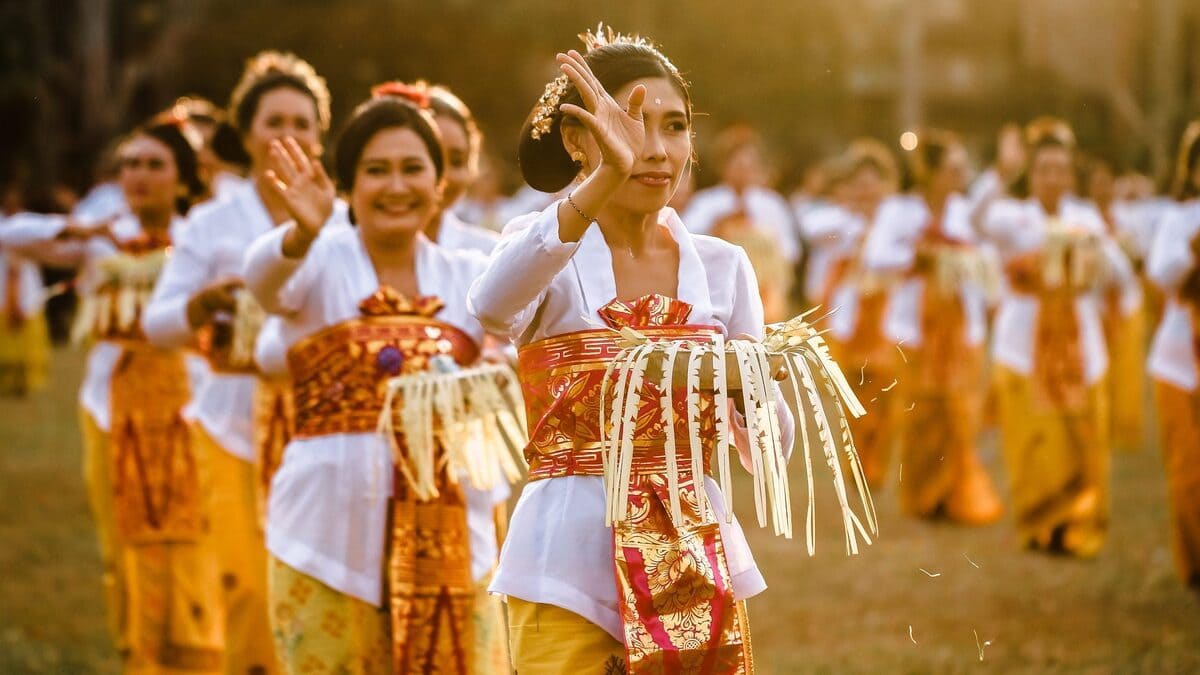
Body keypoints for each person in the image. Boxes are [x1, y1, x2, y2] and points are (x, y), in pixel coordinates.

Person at [468, 28, 795, 671]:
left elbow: (770, 450)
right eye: (628, 124)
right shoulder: (542, 248)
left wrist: (743, 380)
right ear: (576, 139)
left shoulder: (724, 267)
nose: (654, 148)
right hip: (562, 563)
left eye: (674, 127)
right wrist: (601, 182)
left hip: (692, 556)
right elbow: (490, 306)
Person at [242, 85, 509, 673]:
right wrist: (300, 233)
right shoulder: (318, 259)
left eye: (413, 169)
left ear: (439, 182)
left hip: (454, 543)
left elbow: (522, 342)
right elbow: (262, 282)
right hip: (323, 543)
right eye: (376, 170)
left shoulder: (470, 274)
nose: (395, 186)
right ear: (349, 186)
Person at [3, 117, 222, 671]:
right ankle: (138, 652)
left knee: (194, 533)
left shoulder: (200, 238)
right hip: (109, 407)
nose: (139, 176)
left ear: (182, 176)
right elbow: (11, 238)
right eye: (130, 164)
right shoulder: (101, 240)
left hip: (189, 408)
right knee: (120, 536)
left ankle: (198, 654)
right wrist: (83, 231)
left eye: (154, 165)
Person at [143, 50, 336, 675]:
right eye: (274, 121)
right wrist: (199, 308)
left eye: (303, 123)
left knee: (320, 579)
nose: (290, 135)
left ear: (321, 133)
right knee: (248, 588)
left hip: (324, 420)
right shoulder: (212, 221)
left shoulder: (343, 216)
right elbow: (157, 323)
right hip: (232, 424)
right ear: (246, 133)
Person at [982, 118, 1139, 557]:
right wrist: (1000, 171)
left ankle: (1080, 526)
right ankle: (1039, 523)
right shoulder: (1012, 215)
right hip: (1022, 344)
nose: (1052, 178)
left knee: (1082, 437)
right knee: (1032, 440)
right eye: (1043, 169)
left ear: (1071, 176)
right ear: (1031, 175)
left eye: (1060, 169)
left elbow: (1120, 274)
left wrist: (1092, 250)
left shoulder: (1085, 218)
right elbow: (980, 221)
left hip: (1079, 342)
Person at [860, 130, 1002, 524]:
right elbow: (876, 257)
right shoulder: (898, 211)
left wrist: (960, 257)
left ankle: (956, 495)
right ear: (932, 173)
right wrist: (919, 254)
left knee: (960, 411)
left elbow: (986, 255)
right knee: (921, 412)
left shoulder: (965, 211)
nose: (961, 175)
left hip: (961, 327)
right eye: (954, 168)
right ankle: (923, 496)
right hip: (912, 327)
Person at [824, 139, 901, 489]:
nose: (867, 188)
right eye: (860, 181)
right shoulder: (838, 222)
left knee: (883, 393)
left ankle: (875, 464)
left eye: (874, 180)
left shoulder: (898, 222)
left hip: (887, 316)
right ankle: (854, 463)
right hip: (849, 319)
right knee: (851, 393)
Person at [1146, 120, 1200, 591]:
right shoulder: (1178, 219)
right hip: (1181, 362)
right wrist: (1194, 248)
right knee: (1188, 468)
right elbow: (1161, 274)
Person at [682, 124, 797, 320]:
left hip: (766, 293)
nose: (744, 169)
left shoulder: (772, 204)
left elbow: (790, 251)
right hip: (718, 290)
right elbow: (686, 242)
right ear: (723, 165)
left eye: (750, 163)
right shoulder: (705, 203)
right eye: (737, 163)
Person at [1079, 154, 1149, 450]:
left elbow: (1140, 259)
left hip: (1125, 303)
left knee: (1125, 369)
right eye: (1097, 183)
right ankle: (1098, 425)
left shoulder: (1128, 218)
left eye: (1107, 183)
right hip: (1095, 306)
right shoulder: (1081, 218)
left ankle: (1123, 427)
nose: (1102, 189)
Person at [410, 82, 502, 256]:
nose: (442, 176)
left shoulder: (490, 254)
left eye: (456, 161)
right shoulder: (345, 248)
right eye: (429, 157)